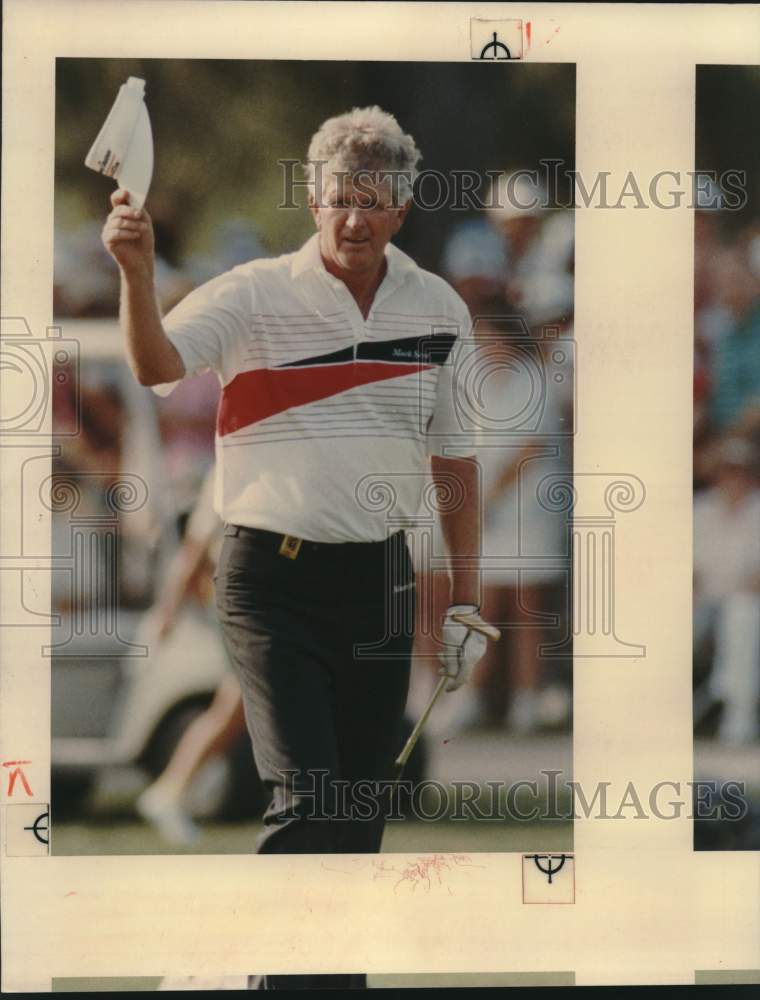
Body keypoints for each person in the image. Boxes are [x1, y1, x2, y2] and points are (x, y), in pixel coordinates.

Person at [102, 105, 494, 990]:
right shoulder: (252, 293)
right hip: (266, 579)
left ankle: (313, 975)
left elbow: (456, 464)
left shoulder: (438, 307)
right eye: (338, 197)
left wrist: (464, 597)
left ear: (403, 207)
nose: (354, 217)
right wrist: (135, 272)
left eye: (375, 199)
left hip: (381, 580)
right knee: (309, 796)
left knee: (359, 809)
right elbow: (157, 365)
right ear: (312, 200)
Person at [136, 466, 246, 846]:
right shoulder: (226, 472)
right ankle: (171, 789)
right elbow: (193, 552)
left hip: (248, 602)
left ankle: (171, 790)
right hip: (241, 605)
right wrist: (167, 616)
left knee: (239, 705)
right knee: (236, 703)